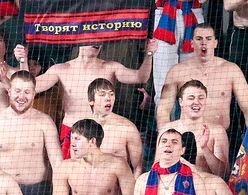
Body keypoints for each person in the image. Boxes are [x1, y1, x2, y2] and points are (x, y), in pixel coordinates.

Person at [22, 40, 156, 159]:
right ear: (81, 37)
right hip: (71, 131)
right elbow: (30, 86)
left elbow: (140, 77)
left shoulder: (110, 67)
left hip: (101, 133)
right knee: (71, 180)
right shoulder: (61, 69)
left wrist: (149, 54)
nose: (97, 42)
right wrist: (23, 60)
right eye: (93, 36)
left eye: (100, 38)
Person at [157, 24, 248, 130]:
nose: (204, 43)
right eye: (199, 39)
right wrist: (164, 137)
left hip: (220, 137)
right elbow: (164, 110)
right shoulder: (177, 71)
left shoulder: (231, 70)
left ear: (215, 43)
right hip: (188, 137)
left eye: (208, 39)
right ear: (192, 43)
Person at [0, 71, 62, 194]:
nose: (22, 96)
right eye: (17, 91)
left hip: (36, 189)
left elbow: (57, 161)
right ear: (9, 91)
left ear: (34, 94)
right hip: (0, 189)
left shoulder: (45, 122)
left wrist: (59, 191)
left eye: (27, 92)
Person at [159, 80, 229, 177]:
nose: (196, 102)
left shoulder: (217, 131)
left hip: (204, 188)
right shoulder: (167, 129)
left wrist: (205, 148)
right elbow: (157, 167)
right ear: (181, 102)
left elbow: (224, 174)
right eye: (191, 98)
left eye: (201, 98)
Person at [53, 118, 135, 195]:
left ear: (92, 141)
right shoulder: (65, 168)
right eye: (72, 139)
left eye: (77, 139)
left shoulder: (117, 165)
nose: (72, 144)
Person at [87, 79, 144, 178]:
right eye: (102, 94)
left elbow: (138, 168)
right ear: (91, 100)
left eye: (111, 94)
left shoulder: (127, 128)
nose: (108, 98)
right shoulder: (81, 128)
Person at [134, 127, 207, 194]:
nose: (168, 145)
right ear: (158, 148)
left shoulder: (196, 180)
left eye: (174, 142)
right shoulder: (142, 180)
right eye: (164, 141)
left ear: (182, 150)